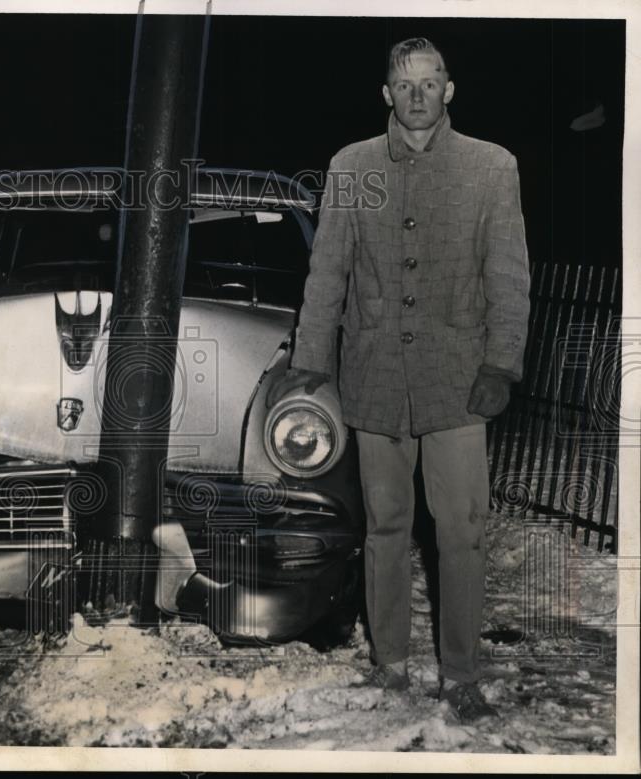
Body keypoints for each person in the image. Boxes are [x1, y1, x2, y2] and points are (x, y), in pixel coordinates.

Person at [268, 37, 530, 722]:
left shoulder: (491, 167)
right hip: (375, 380)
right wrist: (311, 365)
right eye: (403, 84)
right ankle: (389, 664)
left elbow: (508, 278)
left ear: (450, 89)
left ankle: (462, 674)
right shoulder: (351, 167)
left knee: (462, 530)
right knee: (384, 525)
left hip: (457, 384)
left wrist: (501, 364)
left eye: (429, 82)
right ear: (387, 94)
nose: (417, 95)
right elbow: (326, 276)